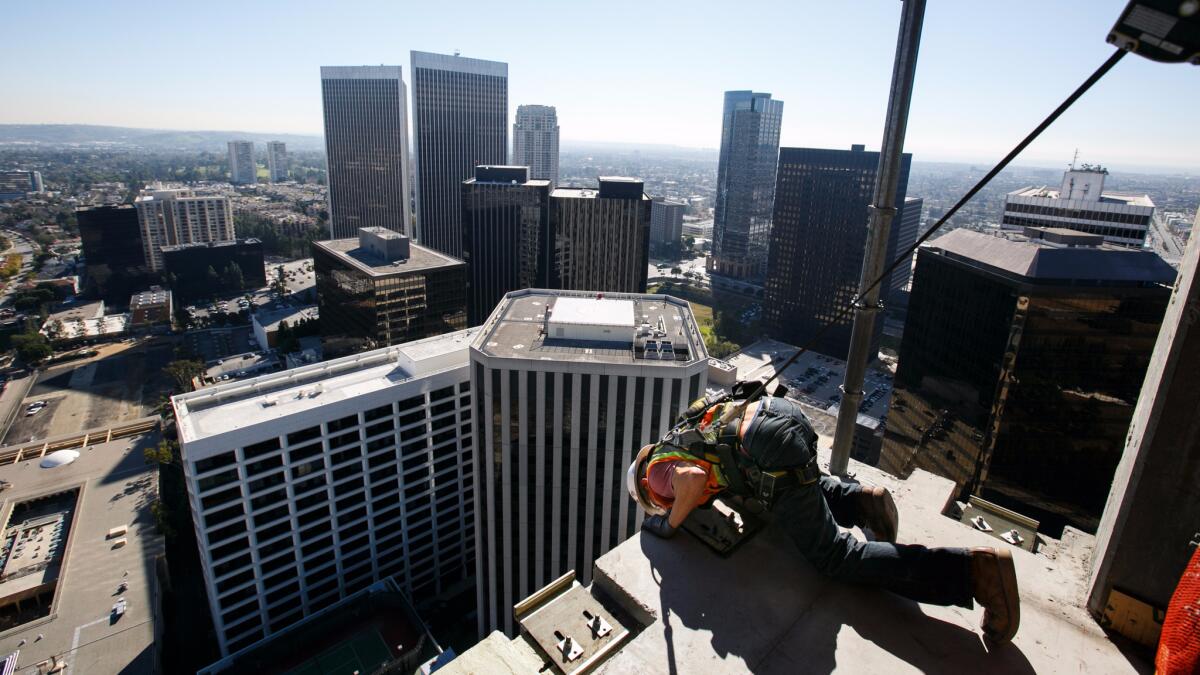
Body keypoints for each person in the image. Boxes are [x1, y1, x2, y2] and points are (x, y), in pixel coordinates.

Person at [626, 393, 1021, 644]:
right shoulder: (686, 435)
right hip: (777, 415)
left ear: (645, 486)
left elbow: (690, 481)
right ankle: (864, 502)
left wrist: (669, 524)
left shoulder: (659, 472)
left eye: (655, 503)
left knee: (834, 557)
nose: (662, 503)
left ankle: (974, 573)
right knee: (793, 489)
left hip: (768, 442)